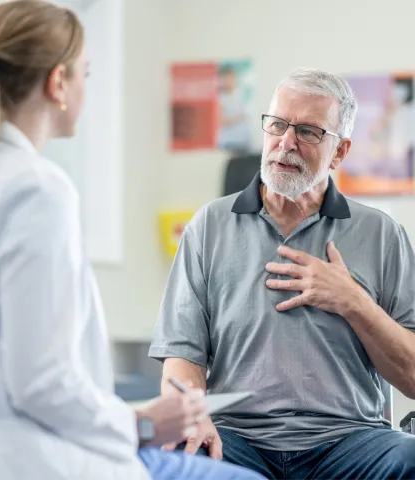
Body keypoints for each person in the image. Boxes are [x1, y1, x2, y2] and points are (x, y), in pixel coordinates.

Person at [0, 2, 264, 479]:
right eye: (85, 73)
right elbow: (40, 381)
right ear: (58, 84)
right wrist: (143, 423)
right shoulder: (35, 188)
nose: (89, 88)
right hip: (21, 454)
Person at [149, 67, 415, 479]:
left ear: (340, 152)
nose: (286, 143)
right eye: (277, 124)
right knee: (176, 461)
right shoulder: (208, 227)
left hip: (349, 441)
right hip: (237, 440)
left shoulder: (381, 234)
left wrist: (354, 303)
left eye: (308, 131)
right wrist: (192, 417)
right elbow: (182, 357)